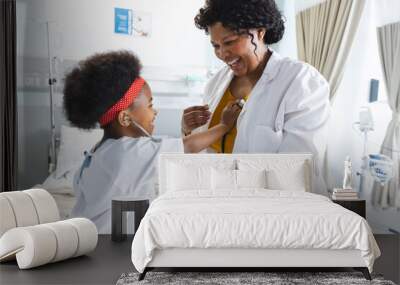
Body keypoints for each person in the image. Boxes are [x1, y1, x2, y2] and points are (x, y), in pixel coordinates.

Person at [63, 51, 241, 233]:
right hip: (105, 243)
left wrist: (185, 130)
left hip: (87, 235)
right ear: (125, 118)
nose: (154, 112)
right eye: (149, 105)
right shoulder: (127, 153)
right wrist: (224, 126)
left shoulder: (98, 152)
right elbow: (189, 146)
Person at [182, 0, 330, 194]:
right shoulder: (215, 84)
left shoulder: (301, 81)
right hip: (219, 202)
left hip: (275, 209)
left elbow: (297, 168)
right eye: (215, 45)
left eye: (229, 42)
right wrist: (187, 130)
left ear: (260, 32)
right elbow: (201, 154)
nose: (222, 54)